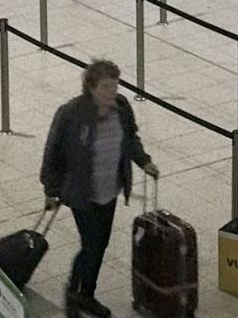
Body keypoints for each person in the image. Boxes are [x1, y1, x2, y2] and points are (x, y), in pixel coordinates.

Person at [41, 60, 159, 318]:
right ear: (91, 87)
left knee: (99, 245)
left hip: (109, 190)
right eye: (106, 87)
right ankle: (74, 293)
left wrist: (144, 161)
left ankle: (86, 294)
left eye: (115, 86)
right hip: (82, 193)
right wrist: (50, 189)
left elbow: (130, 139)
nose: (112, 92)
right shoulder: (71, 113)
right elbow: (52, 153)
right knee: (91, 245)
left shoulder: (122, 108)